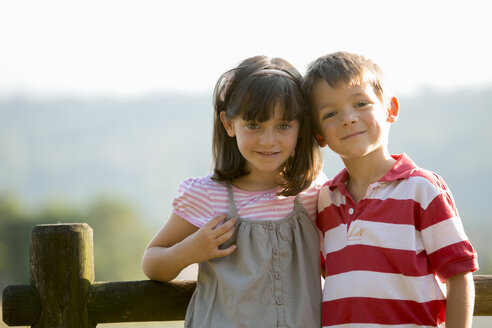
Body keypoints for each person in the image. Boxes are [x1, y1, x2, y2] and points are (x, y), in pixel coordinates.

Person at [142, 55, 326, 328]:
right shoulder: (206, 194)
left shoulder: (315, 192)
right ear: (229, 124)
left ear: (301, 128)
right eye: (254, 125)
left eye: (284, 125)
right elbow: (152, 262)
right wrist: (189, 251)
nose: (268, 140)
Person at [302, 51, 479, 328]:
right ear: (319, 135)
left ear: (390, 109)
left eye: (360, 103)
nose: (348, 118)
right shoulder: (325, 199)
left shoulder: (422, 189)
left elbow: (458, 275)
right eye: (331, 113)